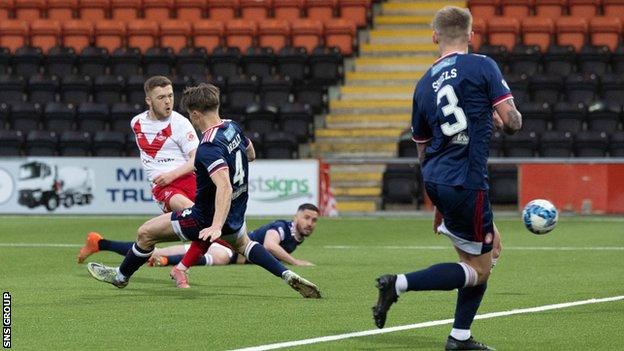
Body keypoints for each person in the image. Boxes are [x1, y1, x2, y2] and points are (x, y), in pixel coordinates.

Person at [372, 6, 521, 351]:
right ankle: (398, 284)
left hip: (437, 179)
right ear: (471, 35)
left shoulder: (424, 83)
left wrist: (438, 200)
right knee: (480, 268)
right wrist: (500, 115)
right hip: (467, 180)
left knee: (489, 248)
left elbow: (422, 149)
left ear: (434, 36)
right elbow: (513, 122)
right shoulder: (483, 65)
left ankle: (460, 337)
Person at [86, 83, 321, 299]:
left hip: (205, 216)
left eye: (191, 115)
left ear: (196, 114)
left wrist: (215, 226)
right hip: (237, 212)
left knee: (145, 233)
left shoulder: (208, 146)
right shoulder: (232, 127)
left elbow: (224, 186)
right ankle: (286, 274)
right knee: (245, 245)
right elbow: (251, 154)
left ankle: (121, 277)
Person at [77, 75, 199, 263]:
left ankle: (100, 243)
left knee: (201, 234)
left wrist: (172, 174)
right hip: (165, 188)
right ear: (148, 100)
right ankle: (179, 269)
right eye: (161, 97)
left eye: (170, 95)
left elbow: (196, 159)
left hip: (189, 182)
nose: (168, 101)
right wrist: (165, 178)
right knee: (194, 216)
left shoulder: (181, 124)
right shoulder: (137, 123)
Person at [76, 203, 319, 267]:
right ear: (296, 216)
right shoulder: (283, 228)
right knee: (220, 257)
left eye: (314, 220)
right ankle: (168, 262)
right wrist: (295, 262)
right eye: (306, 217)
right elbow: (269, 245)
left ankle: (100, 243)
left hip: (231, 250)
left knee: (153, 248)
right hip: (229, 245)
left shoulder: (295, 235)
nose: (309, 223)